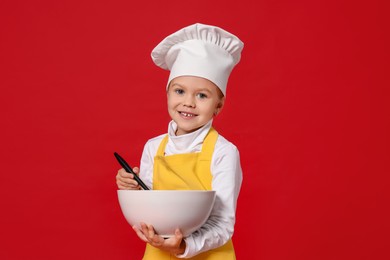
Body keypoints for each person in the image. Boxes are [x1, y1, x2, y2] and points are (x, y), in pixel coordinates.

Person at [116, 23, 244, 259]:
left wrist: (183, 246)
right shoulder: (153, 147)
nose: (189, 103)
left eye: (202, 95)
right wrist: (131, 187)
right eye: (179, 91)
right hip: (159, 253)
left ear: (219, 105)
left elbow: (223, 223)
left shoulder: (224, 152)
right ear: (167, 93)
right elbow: (148, 206)